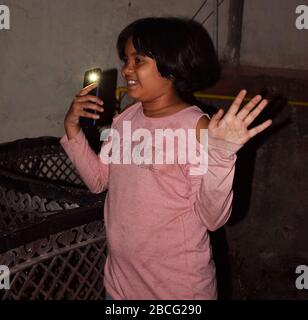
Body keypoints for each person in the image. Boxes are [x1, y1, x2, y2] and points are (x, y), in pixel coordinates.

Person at [60, 17, 272, 300]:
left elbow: (212, 218)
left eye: (139, 60)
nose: (126, 69)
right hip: (120, 287)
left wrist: (221, 156)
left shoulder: (196, 128)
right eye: (126, 59)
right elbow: (99, 180)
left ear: (171, 67)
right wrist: (72, 129)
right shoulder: (125, 120)